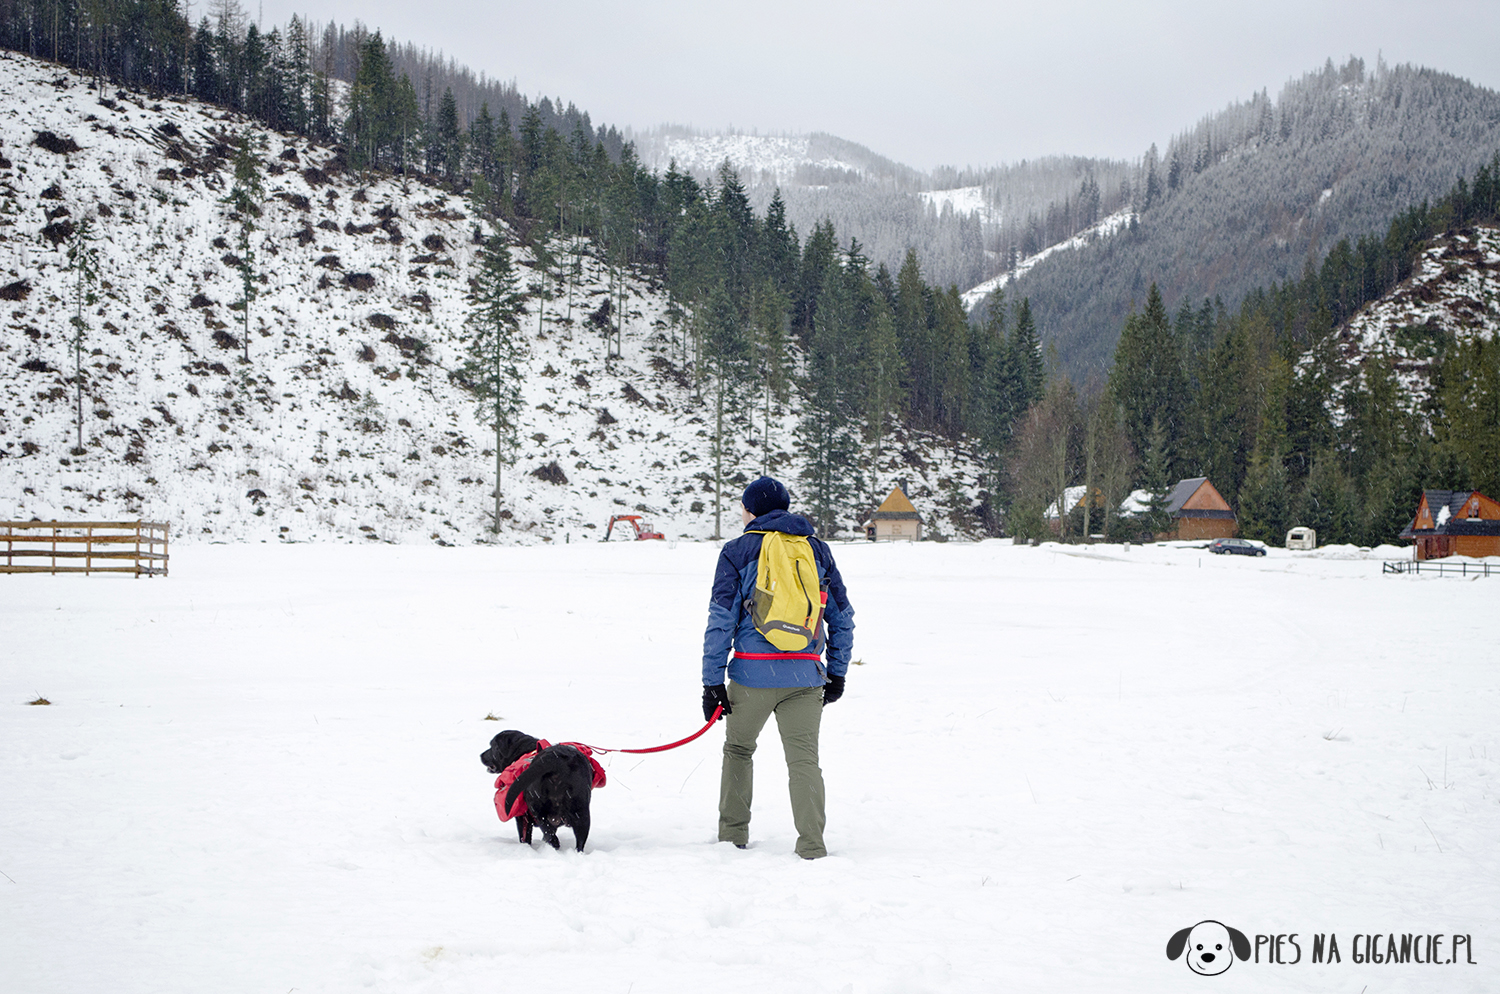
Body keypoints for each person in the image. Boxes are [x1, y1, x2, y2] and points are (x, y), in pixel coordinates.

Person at [701, 476, 854, 859]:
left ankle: (732, 836)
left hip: (751, 675)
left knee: (738, 750)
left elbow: (721, 619)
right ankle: (812, 845)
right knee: (804, 761)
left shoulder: (737, 551)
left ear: (750, 510)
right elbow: (842, 617)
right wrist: (836, 672)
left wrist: (711, 682)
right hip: (805, 677)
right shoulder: (817, 551)